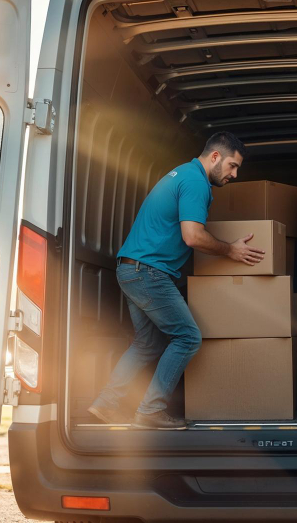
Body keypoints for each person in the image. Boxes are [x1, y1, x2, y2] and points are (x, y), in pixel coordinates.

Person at [88, 132, 264, 430]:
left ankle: (105, 404)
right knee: (188, 337)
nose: (235, 174)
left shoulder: (181, 173)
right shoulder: (195, 181)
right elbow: (192, 236)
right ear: (215, 157)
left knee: (147, 344)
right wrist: (230, 249)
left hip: (131, 269)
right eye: (233, 166)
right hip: (149, 272)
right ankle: (151, 411)